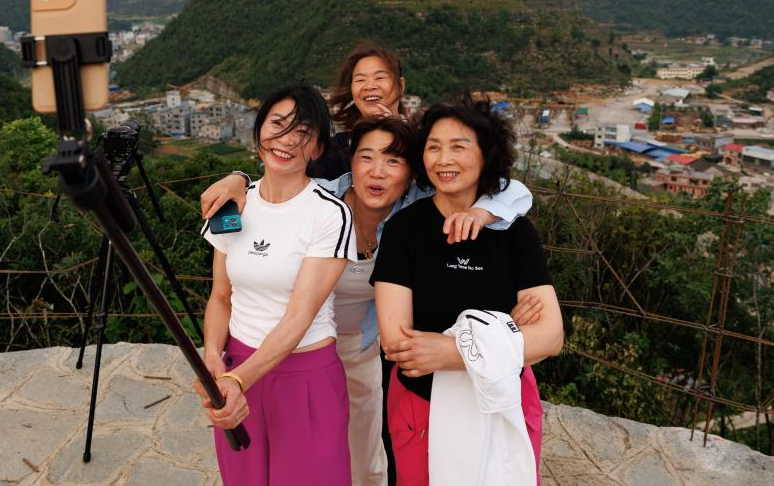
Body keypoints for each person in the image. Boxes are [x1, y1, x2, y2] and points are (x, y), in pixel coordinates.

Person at [201, 116, 541, 485]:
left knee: (365, 457)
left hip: (363, 346)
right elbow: (275, 183)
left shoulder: (416, 214)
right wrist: (237, 177)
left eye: (393, 161)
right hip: (300, 344)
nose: (378, 172)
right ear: (351, 162)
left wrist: (481, 212)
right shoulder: (323, 201)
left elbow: (515, 192)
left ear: (412, 173)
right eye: (366, 158)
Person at [372, 99, 564, 485]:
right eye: (433, 146)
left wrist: (450, 349)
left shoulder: (515, 234)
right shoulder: (404, 231)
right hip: (421, 405)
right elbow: (399, 346)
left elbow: (551, 336)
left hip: (502, 402)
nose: (444, 158)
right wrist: (506, 329)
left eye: (459, 146)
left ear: (485, 154)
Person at [195, 83, 356, 486]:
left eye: (303, 134)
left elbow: (299, 317)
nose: (286, 141)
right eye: (278, 125)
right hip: (237, 367)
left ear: (318, 148)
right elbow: (220, 296)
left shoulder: (329, 215)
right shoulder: (233, 206)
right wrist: (214, 356)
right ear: (259, 129)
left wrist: (236, 379)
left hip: (305, 376)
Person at [311, 41, 407, 180]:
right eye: (360, 80)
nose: (369, 86)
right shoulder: (334, 150)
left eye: (380, 77)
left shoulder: (424, 143)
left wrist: (401, 136)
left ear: (401, 85)